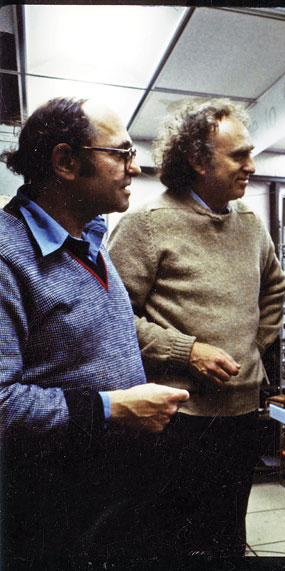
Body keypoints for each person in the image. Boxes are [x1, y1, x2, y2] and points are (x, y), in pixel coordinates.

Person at [0, 97, 190, 563]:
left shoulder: (91, 239)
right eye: (122, 154)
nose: (136, 168)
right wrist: (113, 408)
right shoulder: (7, 256)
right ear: (66, 161)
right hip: (53, 503)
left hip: (115, 490)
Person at [107, 98, 285, 557]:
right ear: (197, 159)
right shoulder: (146, 226)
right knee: (173, 544)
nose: (251, 164)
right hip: (176, 422)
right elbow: (111, 317)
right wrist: (186, 352)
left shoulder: (250, 223)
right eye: (239, 155)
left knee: (227, 539)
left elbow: (275, 289)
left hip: (241, 416)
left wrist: (253, 345)